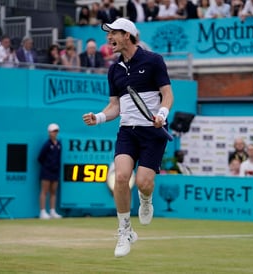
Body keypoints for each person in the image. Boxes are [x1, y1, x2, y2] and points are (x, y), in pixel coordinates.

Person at [82, 18, 174, 257]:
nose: (108, 38)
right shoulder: (114, 70)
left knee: (144, 182)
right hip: (127, 132)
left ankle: (145, 200)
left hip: (153, 132)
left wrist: (162, 114)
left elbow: (167, 94)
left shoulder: (154, 61)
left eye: (113, 33)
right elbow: (115, 106)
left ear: (127, 35)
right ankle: (125, 231)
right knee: (121, 177)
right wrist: (100, 117)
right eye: (108, 34)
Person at [37, 123, 63, 220]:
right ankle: (42, 212)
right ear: (49, 132)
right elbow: (40, 158)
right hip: (46, 171)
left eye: (56, 131)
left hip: (55, 172)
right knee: (44, 191)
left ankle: (52, 211)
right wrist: (48, 166)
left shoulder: (59, 144)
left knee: (53, 192)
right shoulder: (47, 145)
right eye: (53, 131)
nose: (55, 133)